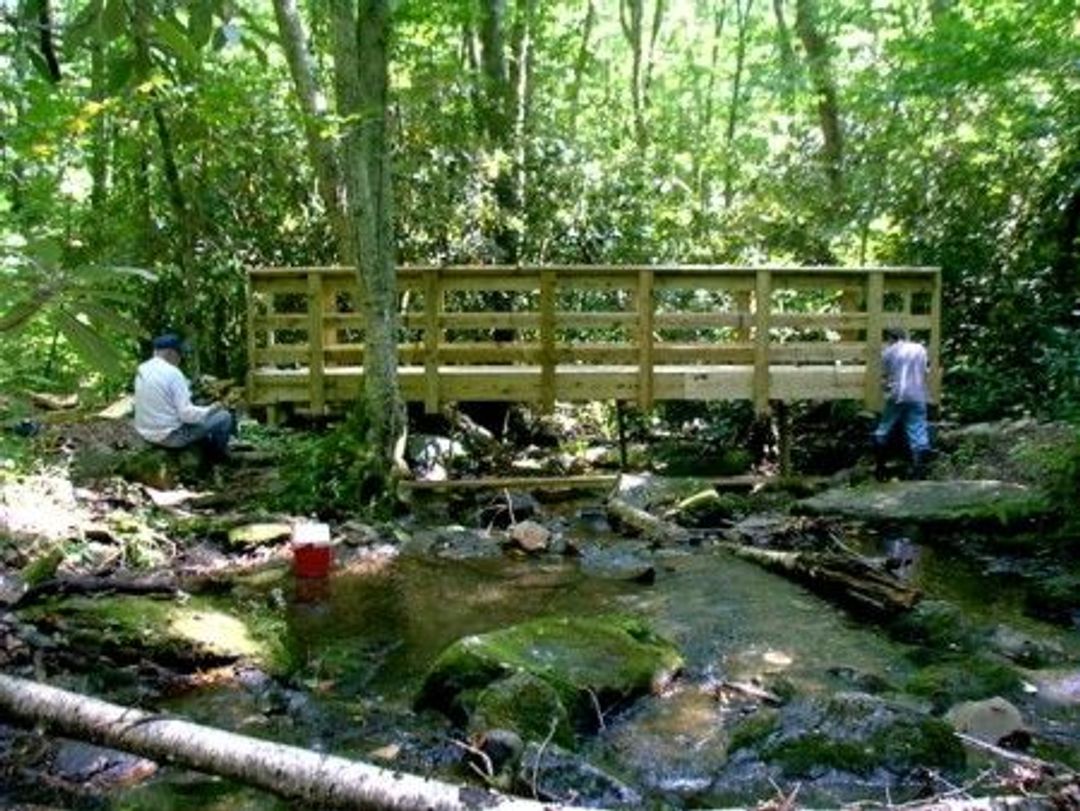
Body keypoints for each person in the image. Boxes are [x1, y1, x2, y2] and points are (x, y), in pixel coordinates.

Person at [133, 334, 233, 462]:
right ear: (171, 353)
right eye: (180, 354)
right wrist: (212, 408)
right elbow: (186, 414)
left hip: (145, 432)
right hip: (170, 437)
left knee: (200, 414)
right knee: (224, 417)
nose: (181, 358)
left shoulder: (142, 369)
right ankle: (217, 458)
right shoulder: (173, 373)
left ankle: (206, 448)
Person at [873, 327, 931, 481]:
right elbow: (925, 372)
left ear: (891, 338)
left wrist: (884, 388)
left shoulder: (889, 352)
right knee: (918, 431)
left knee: (884, 428)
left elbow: (885, 377)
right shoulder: (920, 349)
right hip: (918, 394)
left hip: (897, 395)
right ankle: (918, 472)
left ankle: (880, 469)